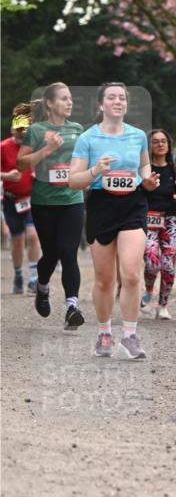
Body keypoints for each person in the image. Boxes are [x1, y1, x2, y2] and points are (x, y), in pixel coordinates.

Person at [68, 82, 159, 359]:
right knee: (105, 280)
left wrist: (148, 178)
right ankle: (104, 333)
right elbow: (73, 180)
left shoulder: (138, 136)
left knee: (131, 274)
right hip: (101, 206)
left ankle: (130, 336)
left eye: (122, 98)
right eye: (112, 97)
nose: (118, 101)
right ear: (101, 104)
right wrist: (96, 169)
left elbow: (145, 164)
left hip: (133, 205)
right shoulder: (88, 138)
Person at [17, 83, 85, 331]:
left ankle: (71, 307)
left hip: (72, 200)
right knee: (52, 254)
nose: (70, 103)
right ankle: (42, 287)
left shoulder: (77, 129)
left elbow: (84, 159)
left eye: (71, 99)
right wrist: (47, 149)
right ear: (50, 103)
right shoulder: (36, 130)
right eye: (64, 99)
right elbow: (22, 163)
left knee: (69, 253)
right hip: (44, 201)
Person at [141, 129, 176, 319]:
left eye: (163, 141)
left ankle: (163, 304)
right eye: (155, 141)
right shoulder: (144, 169)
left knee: (168, 265)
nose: (160, 144)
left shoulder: (174, 170)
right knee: (152, 262)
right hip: (148, 219)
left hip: (170, 221)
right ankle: (149, 290)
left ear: (168, 145)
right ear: (149, 146)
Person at [1, 105, 40, 294]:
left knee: (33, 236)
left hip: (31, 199)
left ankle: (33, 278)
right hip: (11, 200)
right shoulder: (3, 147)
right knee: (17, 241)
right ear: (12, 130)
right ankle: (18, 274)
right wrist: (6, 176)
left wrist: (37, 175)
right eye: (18, 131)